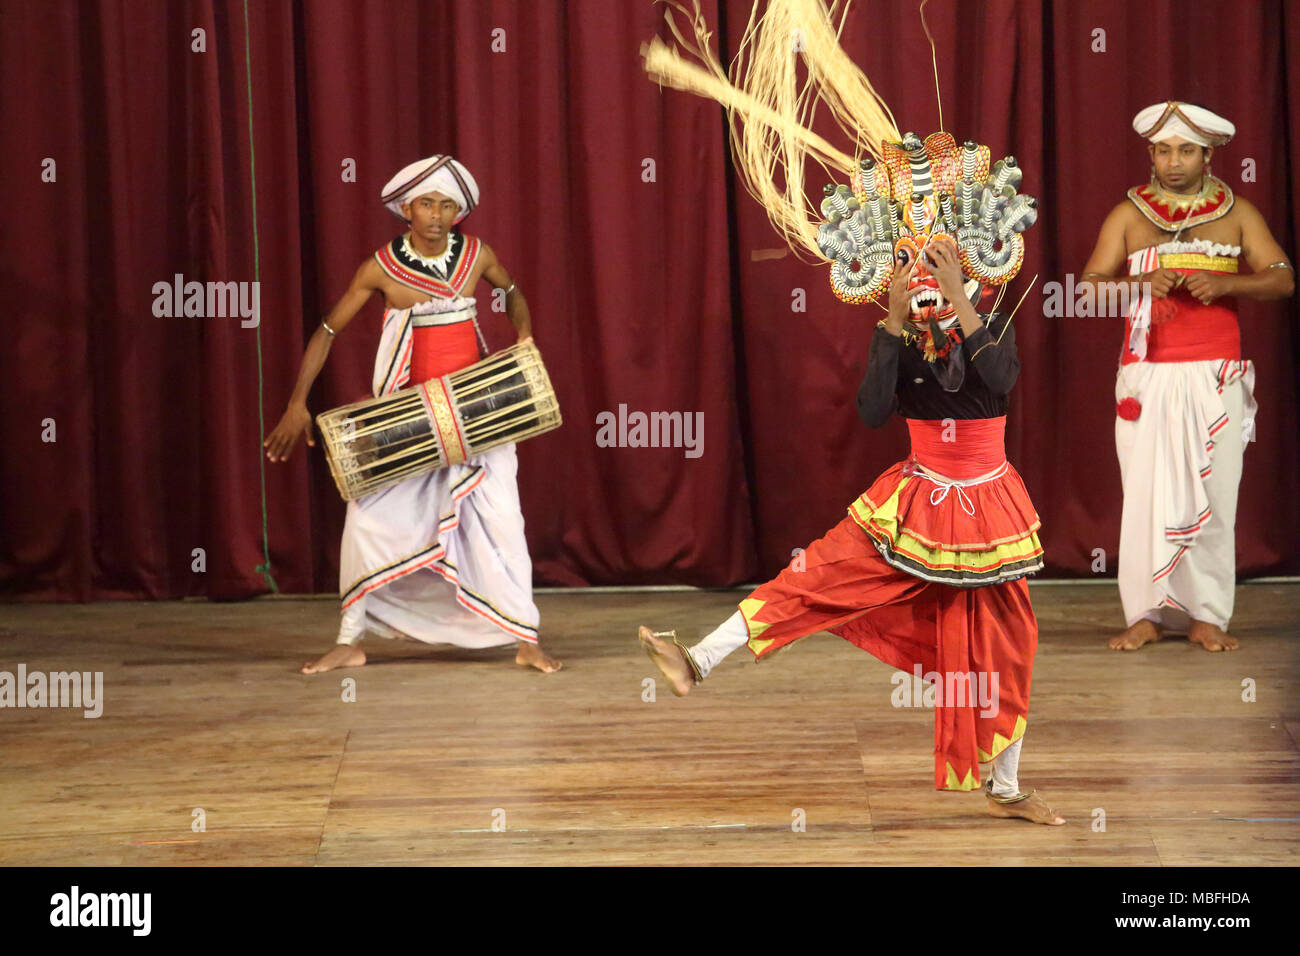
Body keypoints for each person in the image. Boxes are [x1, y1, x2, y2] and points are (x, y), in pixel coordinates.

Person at [265, 154, 561, 675]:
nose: (436, 215)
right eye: (427, 203)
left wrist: (523, 335)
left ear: (458, 212)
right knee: (366, 524)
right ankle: (351, 639)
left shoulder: (476, 255)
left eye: (447, 205)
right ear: (406, 207)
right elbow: (328, 331)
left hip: (477, 415)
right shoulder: (380, 268)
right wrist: (296, 403)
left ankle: (526, 638)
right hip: (406, 424)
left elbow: (512, 292)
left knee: (503, 523)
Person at [1078, 102, 1294, 652]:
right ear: (1151, 154)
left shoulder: (1238, 212)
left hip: (1215, 375)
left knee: (1216, 493)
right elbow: (1087, 288)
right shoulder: (1127, 215)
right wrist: (1136, 287)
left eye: (1187, 151)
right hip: (1147, 377)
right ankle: (1145, 614)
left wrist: (1230, 286)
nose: (1175, 162)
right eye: (1165, 150)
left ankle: (1207, 615)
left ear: (1208, 154)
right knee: (1145, 495)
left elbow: (1282, 278)